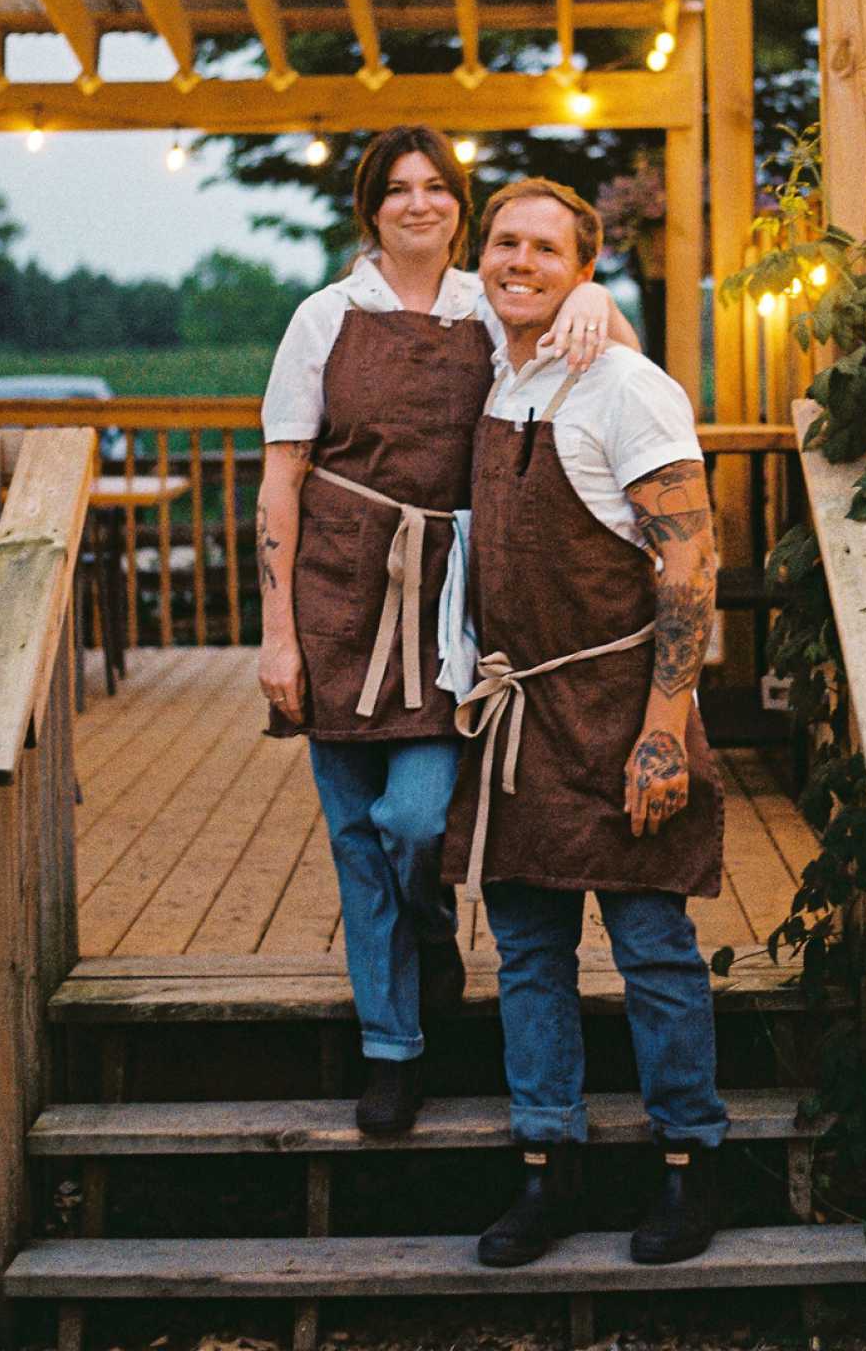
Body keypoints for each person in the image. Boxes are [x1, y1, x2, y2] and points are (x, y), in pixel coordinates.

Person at [257, 129, 635, 1140]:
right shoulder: (322, 320)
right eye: (396, 189)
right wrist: (278, 635)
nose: (417, 204)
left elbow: (606, 363)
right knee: (352, 837)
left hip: (452, 608)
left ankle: (427, 933)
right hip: (336, 595)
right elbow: (281, 481)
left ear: (458, 206)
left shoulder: (494, 304)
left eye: (435, 188)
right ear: (367, 206)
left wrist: (599, 299)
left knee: (414, 821)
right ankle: (392, 1050)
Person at [442, 177, 726, 1268]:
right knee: (527, 954)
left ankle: (688, 1168)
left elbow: (689, 563)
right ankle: (545, 1169)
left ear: (581, 267)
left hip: (619, 709)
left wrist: (663, 727)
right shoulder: (497, 366)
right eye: (502, 244)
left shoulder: (627, 389)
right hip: (522, 715)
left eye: (546, 251)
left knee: (651, 948)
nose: (518, 262)